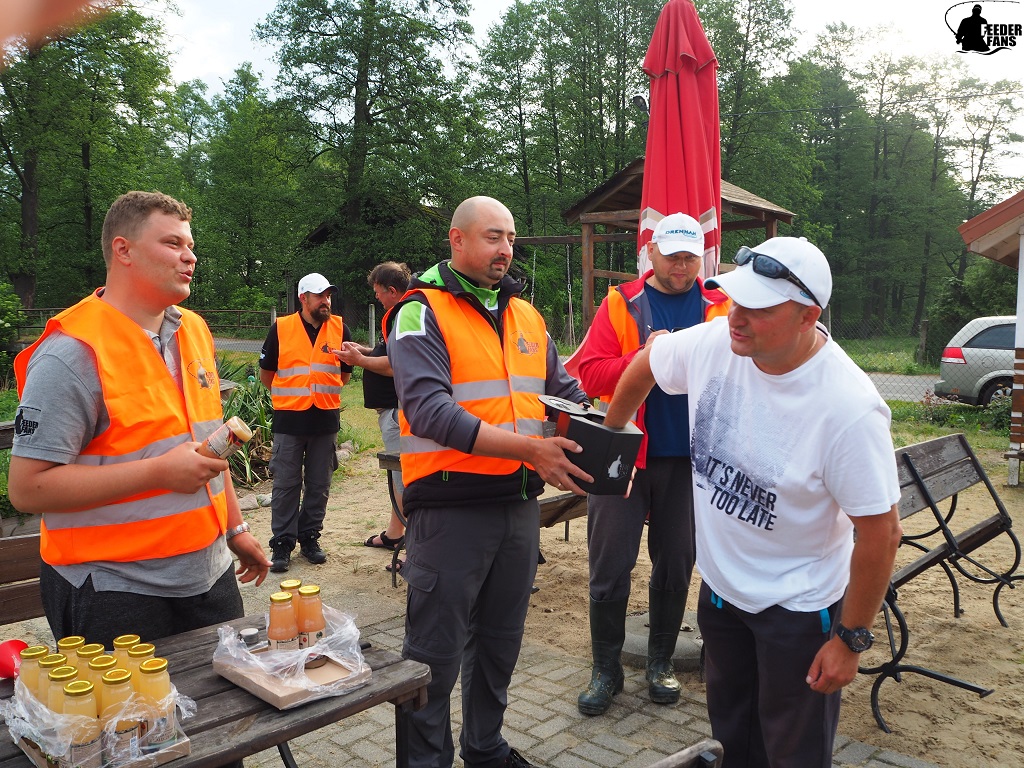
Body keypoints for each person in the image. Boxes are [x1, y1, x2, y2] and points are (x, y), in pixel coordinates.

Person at [602, 236, 903, 768]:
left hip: (798, 611)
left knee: (792, 752)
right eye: (736, 299)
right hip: (722, 596)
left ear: (808, 316)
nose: (736, 317)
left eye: (759, 308)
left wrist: (850, 640)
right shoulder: (717, 341)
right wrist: (615, 446)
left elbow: (881, 533)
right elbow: (648, 361)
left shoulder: (849, 409)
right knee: (733, 738)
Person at [8, 190, 271, 649]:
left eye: (191, 246)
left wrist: (235, 529)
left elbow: (208, 445)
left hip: (210, 576)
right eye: (172, 243)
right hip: (112, 588)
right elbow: (27, 489)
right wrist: (157, 473)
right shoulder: (71, 353)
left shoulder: (193, 330)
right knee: (137, 703)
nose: (190, 257)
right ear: (123, 250)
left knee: (226, 695)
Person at [387, 195, 593, 768]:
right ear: (456, 240)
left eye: (511, 238)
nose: (506, 249)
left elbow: (565, 392)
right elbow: (429, 411)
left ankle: (485, 749)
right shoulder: (418, 311)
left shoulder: (527, 315)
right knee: (432, 656)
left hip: (518, 505)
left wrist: (603, 431)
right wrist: (531, 449)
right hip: (449, 510)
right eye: (493, 237)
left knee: (500, 644)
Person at [572, 213, 729, 716]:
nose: (681, 266)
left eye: (690, 257)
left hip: (690, 459)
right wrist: (646, 357)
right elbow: (590, 374)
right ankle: (606, 669)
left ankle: (660, 662)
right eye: (672, 256)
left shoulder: (720, 306)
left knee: (678, 560)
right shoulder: (621, 303)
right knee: (609, 561)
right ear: (651, 253)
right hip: (623, 453)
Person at [259, 272, 353, 573]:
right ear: (304, 298)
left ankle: (310, 537)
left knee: (319, 485)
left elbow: (345, 375)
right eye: (320, 295)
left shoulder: (340, 328)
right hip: (289, 421)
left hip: (325, 419)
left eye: (328, 295)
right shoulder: (281, 328)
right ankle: (282, 543)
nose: (326, 301)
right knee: (286, 485)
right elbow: (267, 374)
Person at [336, 261, 412, 570]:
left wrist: (359, 361)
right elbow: (389, 353)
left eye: (379, 292)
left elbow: (396, 366)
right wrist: (365, 351)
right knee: (396, 475)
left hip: (398, 412)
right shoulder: (401, 314)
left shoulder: (405, 315)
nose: (377, 298)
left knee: (404, 478)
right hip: (392, 412)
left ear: (392, 291)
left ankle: (414, 548)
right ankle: (395, 534)